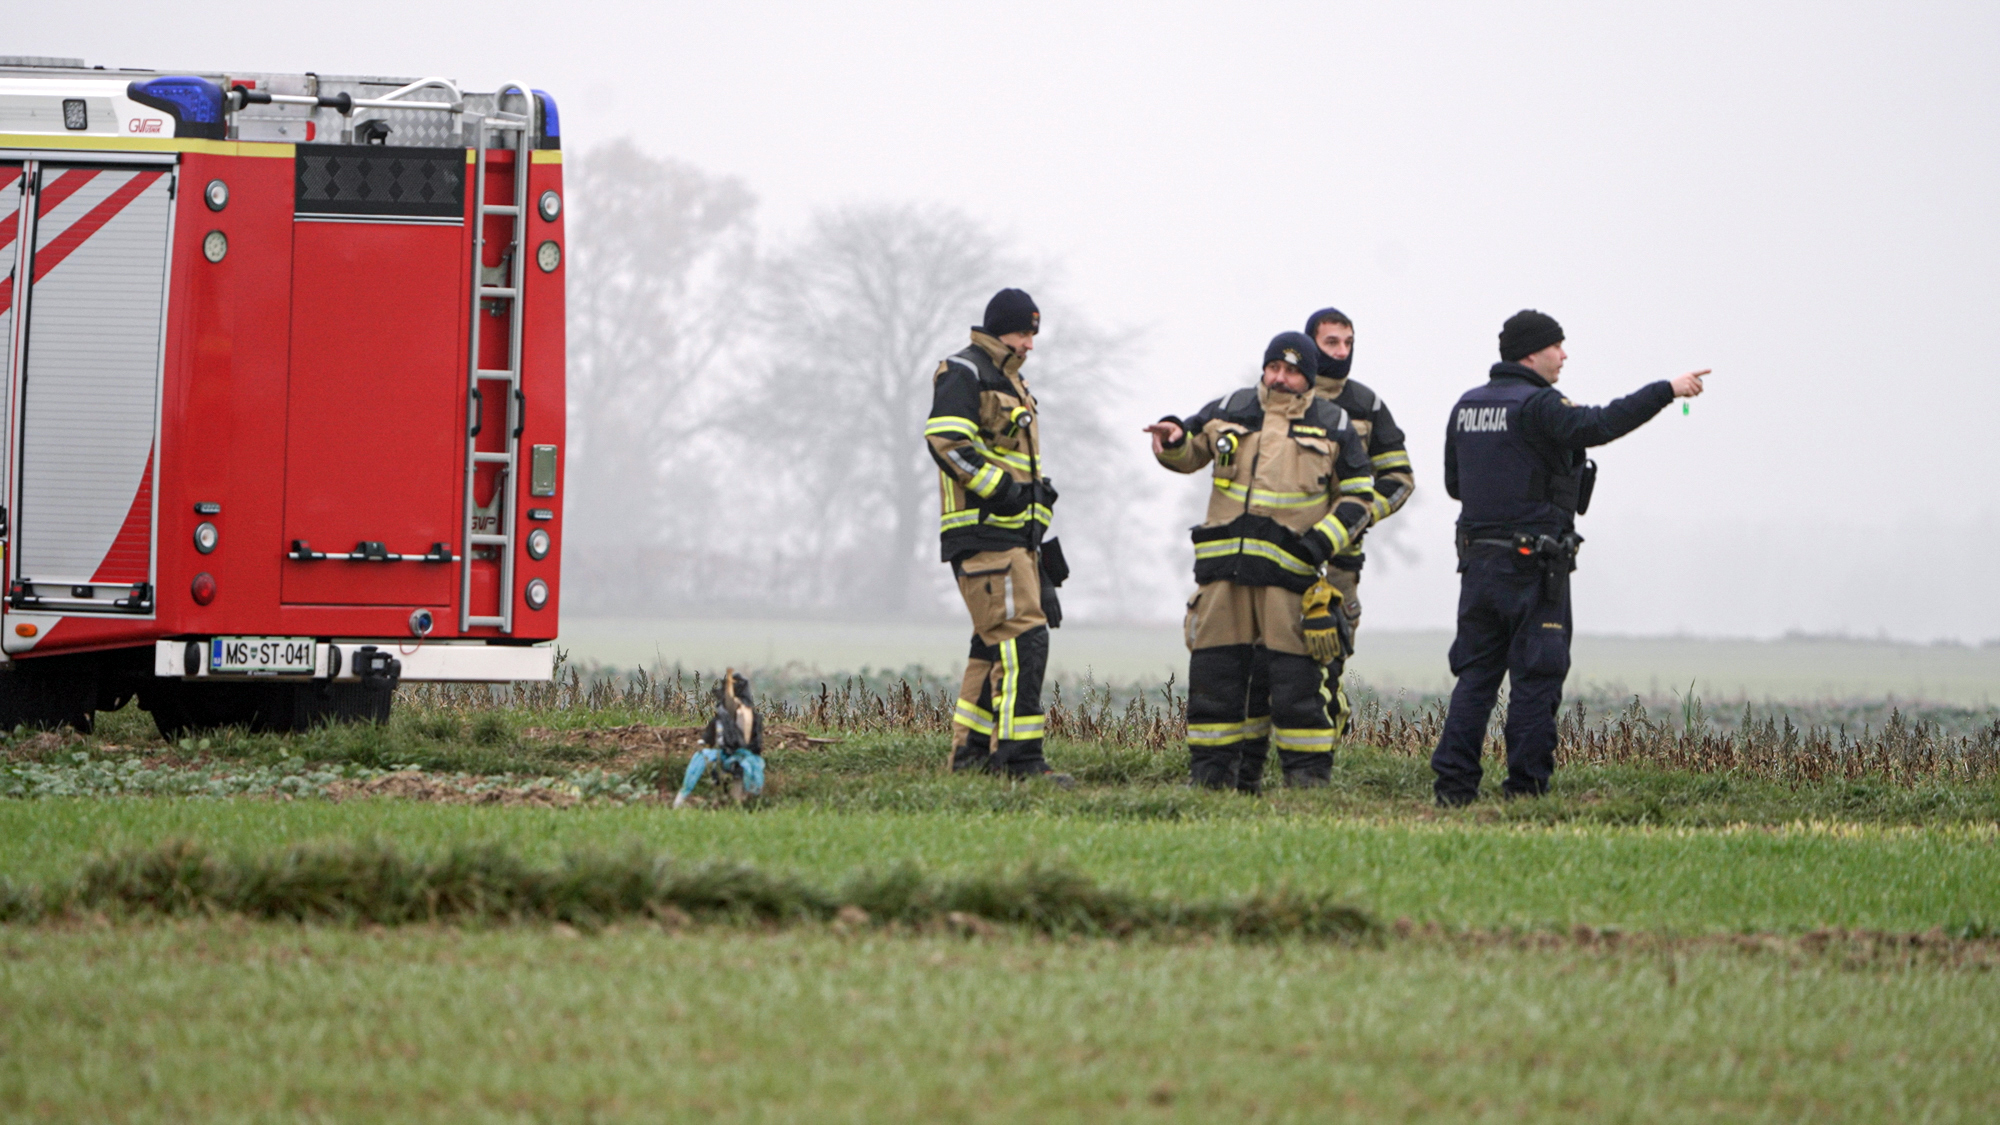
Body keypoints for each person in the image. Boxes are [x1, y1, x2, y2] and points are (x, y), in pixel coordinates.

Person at [1432, 309, 1707, 805]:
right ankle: (1526, 791)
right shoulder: (1540, 405)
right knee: (1536, 676)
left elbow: (1455, 485)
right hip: (1533, 565)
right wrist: (1667, 390)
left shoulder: (1466, 406)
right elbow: (1600, 423)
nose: (1564, 355)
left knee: (1475, 677)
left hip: (1476, 564)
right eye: (1557, 346)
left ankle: (1453, 790)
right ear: (1531, 353)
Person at [1144, 332, 1376, 790]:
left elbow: (1358, 499)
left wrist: (1315, 547)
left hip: (1289, 584)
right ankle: (1211, 783)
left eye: (1291, 371)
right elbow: (1189, 447)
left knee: (1298, 689)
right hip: (1222, 580)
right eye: (1274, 368)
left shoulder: (1333, 423)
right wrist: (1172, 439)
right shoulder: (1230, 408)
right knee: (1215, 684)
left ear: (1307, 379)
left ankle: (1307, 785)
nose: (1280, 378)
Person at [923, 288, 1069, 782]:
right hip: (984, 538)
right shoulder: (964, 372)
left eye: (1033, 334)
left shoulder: (1014, 382)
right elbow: (946, 441)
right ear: (997, 329)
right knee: (1022, 641)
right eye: (1023, 332)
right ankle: (1020, 762)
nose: (1029, 343)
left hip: (1014, 543)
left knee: (992, 647)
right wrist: (1004, 490)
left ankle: (971, 759)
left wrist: (1036, 501)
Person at [1304, 307, 1415, 733]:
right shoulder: (1287, 400)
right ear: (1311, 343)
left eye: (1349, 343)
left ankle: (1333, 737)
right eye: (1332, 342)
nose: (1342, 351)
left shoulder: (1367, 404)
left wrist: (1361, 515)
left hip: (1342, 558)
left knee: (1332, 644)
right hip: (1287, 551)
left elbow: (1401, 479)